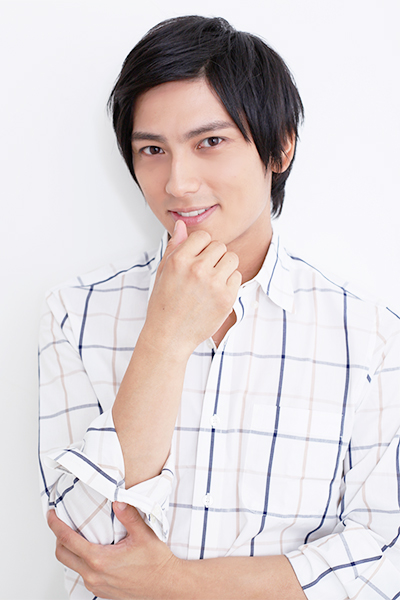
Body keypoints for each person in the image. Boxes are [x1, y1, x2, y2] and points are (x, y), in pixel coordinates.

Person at [39, 15, 400, 600]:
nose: (178, 183)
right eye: (152, 149)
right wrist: (165, 339)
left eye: (210, 142)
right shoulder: (75, 314)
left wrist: (175, 583)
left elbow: (379, 560)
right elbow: (88, 547)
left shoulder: (372, 338)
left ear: (280, 146)